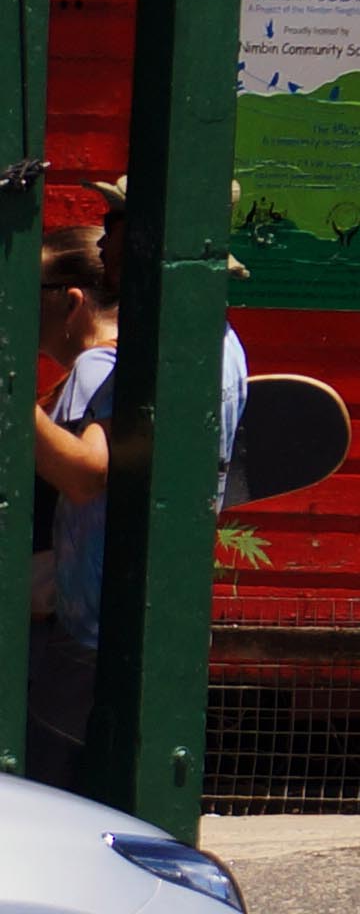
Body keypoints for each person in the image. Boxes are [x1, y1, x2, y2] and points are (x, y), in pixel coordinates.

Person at [30, 197, 248, 790]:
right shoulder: (217, 346)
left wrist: (11, 397)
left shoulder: (149, 356)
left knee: (52, 785)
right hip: (138, 613)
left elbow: (86, 475)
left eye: (116, 228)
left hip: (103, 621)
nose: (103, 244)